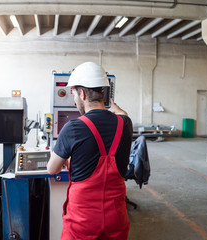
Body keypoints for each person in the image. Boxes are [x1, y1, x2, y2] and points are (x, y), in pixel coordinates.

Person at [47, 62, 133, 240]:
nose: (74, 100)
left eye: (74, 94)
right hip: (116, 219)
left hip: (83, 221)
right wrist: (115, 108)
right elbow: (123, 114)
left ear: (83, 94)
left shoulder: (73, 128)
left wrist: (66, 158)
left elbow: (52, 169)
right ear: (103, 93)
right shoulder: (125, 124)